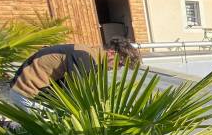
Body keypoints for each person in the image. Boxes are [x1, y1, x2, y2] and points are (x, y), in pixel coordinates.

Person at [9, 38, 140, 110]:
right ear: (112, 53)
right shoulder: (85, 57)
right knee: (55, 132)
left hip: (32, 92)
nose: (117, 69)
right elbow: (75, 95)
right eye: (120, 64)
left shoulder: (89, 55)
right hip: (26, 93)